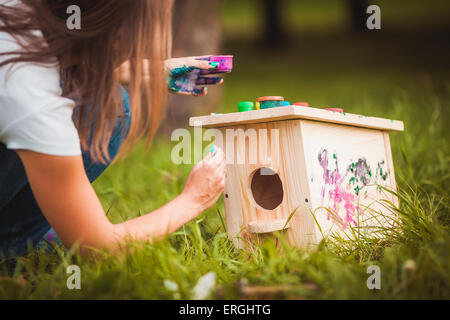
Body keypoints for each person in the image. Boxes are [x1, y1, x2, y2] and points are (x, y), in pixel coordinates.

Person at [0, 0, 226, 257]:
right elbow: (100, 247)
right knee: (110, 110)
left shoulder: (21, 15)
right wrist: (193, 199)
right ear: (117, 35)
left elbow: (72, 59)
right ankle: (10, 246)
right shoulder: (30, 97)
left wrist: (156, 71)